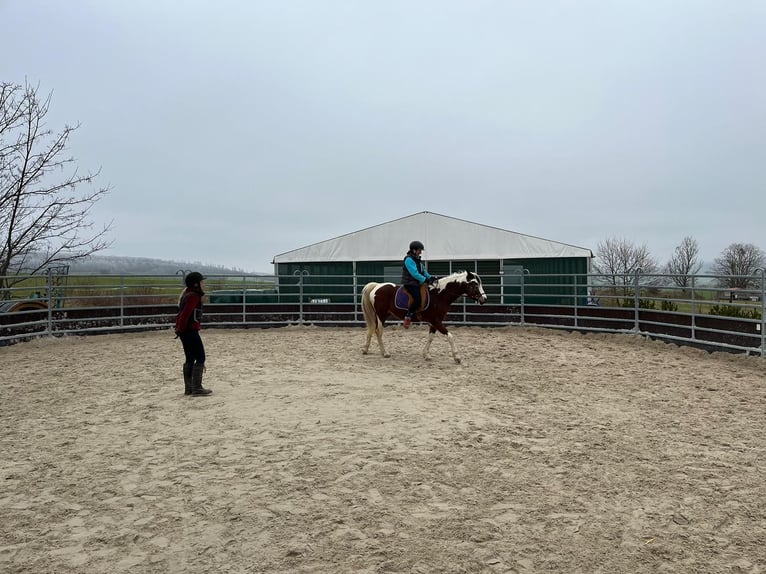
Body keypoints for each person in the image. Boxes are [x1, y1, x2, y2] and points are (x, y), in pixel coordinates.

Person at [175, 271, 212, 396]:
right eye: (202, 282)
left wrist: (179, 330)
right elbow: (185, 314)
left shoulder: (188, 294)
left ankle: (189, 388)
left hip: (185, 331)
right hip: (190, 330)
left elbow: (182, 314)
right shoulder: (193, 296)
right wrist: (181, 329)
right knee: (200, 357)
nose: (204, 284)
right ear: (196, 284)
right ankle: (197, 388)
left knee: (190, 357)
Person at [401, 240, 437, 328]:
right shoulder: (409, 260)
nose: (420, 252)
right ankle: (408, 316)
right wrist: (425, 280)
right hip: (410, 283)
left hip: (417, 283)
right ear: (414, 250)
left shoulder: (418, 260)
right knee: (418, 299)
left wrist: (430, 278)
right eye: (419, 250)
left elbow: (424, 271)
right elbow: (415, 273)